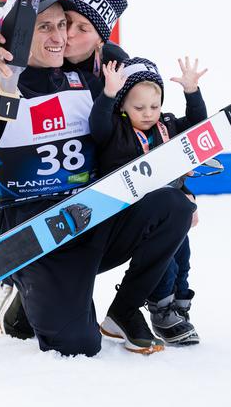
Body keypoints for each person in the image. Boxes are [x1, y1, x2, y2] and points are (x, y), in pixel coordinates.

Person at [0, 0, 194, 355]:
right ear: (19, 33)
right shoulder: (7, 85)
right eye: (45, 26)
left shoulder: (90, 79)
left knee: (174, 207)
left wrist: (183, 181)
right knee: (79, 347)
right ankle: (23, 295)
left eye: (63, 25)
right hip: (40, 235)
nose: (60, 36)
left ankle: (124, 311)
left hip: (95, 217)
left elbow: (146, 126)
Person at [90, 56, 208, 345]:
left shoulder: (166, 125)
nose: (148, 114)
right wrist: (108, 94)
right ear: (122, 106)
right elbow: (97, 125)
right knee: (163, 258)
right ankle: (160, 307)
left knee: (182, 254)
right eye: (138, 107)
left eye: (154, 106)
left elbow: (197, 125)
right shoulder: (116, 131)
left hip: (168, 211)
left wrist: (192, 93)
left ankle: (180, 303)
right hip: (131, 218)